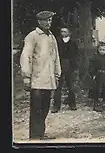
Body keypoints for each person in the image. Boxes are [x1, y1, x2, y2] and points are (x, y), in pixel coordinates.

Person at [20, 11, 61, 140]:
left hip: (48, 79)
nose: (48, 23)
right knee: (36, 108)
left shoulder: (51, 37)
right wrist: (26, 76)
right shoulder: (32, 36)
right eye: (45, 20)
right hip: (37, 79)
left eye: (50, 20)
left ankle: (40, 133)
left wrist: (57, 74)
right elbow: (26, 56)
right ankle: (34, 136)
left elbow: (56, 57)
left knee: (45, 107)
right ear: (39, 22)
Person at [51, 27, 79, 113]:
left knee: (70, 86)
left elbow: (76, 54)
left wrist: (74, 65)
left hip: (69, 65)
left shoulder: (73, 42)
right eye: (61, 31)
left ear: (69, 32)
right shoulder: (57, 41)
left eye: (65, 31)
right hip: (60, 64)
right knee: (58, 86)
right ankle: (56, 105)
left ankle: (72, 104)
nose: (63, 33)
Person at [88, 42, 105, 112]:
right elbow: (91, 67)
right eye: (100, 50)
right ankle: (97, 104)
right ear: (98, 50)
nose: (102, 51)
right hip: (98, 76)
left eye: (103, 50)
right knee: (97, 90)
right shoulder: (95, 58)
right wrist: (93, 74)